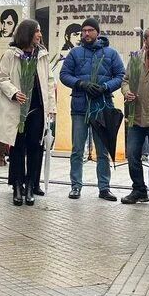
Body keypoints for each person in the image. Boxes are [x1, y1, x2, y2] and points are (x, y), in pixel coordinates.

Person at [59, 17, 125, 201]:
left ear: (98, 32)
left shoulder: (110, 53)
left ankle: (104, 188)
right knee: (77, 149)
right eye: (84, 31)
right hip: (80, 107)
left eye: (90, 30)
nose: (86, 33)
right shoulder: (75, 53)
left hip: (101, 107)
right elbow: (64, 75)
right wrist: (81, 83)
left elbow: (121, 75)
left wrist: (105, 87)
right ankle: (75, 186)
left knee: (102, 150)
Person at [0, 19, 55, 206]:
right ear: (27, 33)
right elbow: (1, 78)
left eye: (40, 31)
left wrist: (51, 108)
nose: (40, 35)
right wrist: (14, 92)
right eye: (36, 31)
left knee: (35, 147)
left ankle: (31, 185)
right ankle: (17, 186)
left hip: (37, 108)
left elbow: (49, 82)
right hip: (17, 108)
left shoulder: (42, 55)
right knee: (18, 147)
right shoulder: (11, 54)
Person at [120, 26, 149, 208]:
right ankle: (139, 190)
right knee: (132, 155)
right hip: (136, 116)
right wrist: (127, 92)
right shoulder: (136, 58)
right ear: (145, 40)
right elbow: (125, 80)